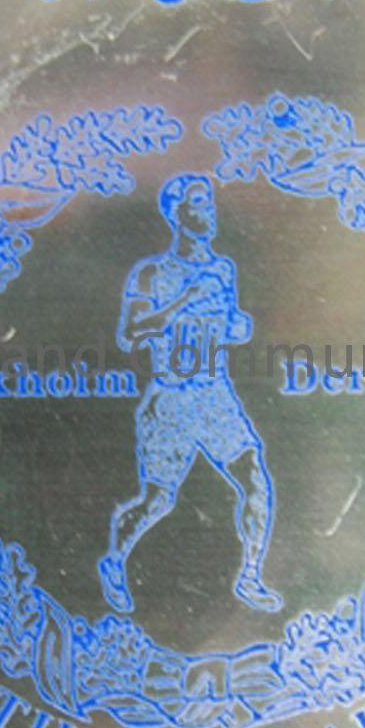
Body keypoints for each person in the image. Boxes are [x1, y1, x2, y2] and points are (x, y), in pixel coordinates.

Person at [98, 173, 283, 616]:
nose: (209, 213)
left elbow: (228, 324)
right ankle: (113, 561)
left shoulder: (223, 269)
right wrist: (183, 300)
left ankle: (250, 576)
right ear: (175, 214)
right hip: (171, 398)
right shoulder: (152, 273)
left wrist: (238, 327)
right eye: (197, 205)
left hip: (215, 394)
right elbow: (131, 332)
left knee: (255, 479)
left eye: (210, 204)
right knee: (158, 500)